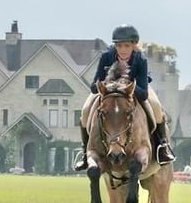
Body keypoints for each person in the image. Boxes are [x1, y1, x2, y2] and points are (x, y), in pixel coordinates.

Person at [74, 24, 176, 170]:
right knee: (85, 110)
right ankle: (85, 153)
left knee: (156, 106)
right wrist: (106, 87)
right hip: (109, 92)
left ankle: (162, 147)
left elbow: (143, 92)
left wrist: (125, 89)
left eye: (127, 46)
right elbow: (94, 84)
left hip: (134, 89)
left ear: (134, 45)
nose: (122, 50)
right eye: (119, 45)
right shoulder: (106, 56)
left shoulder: (140, 59)